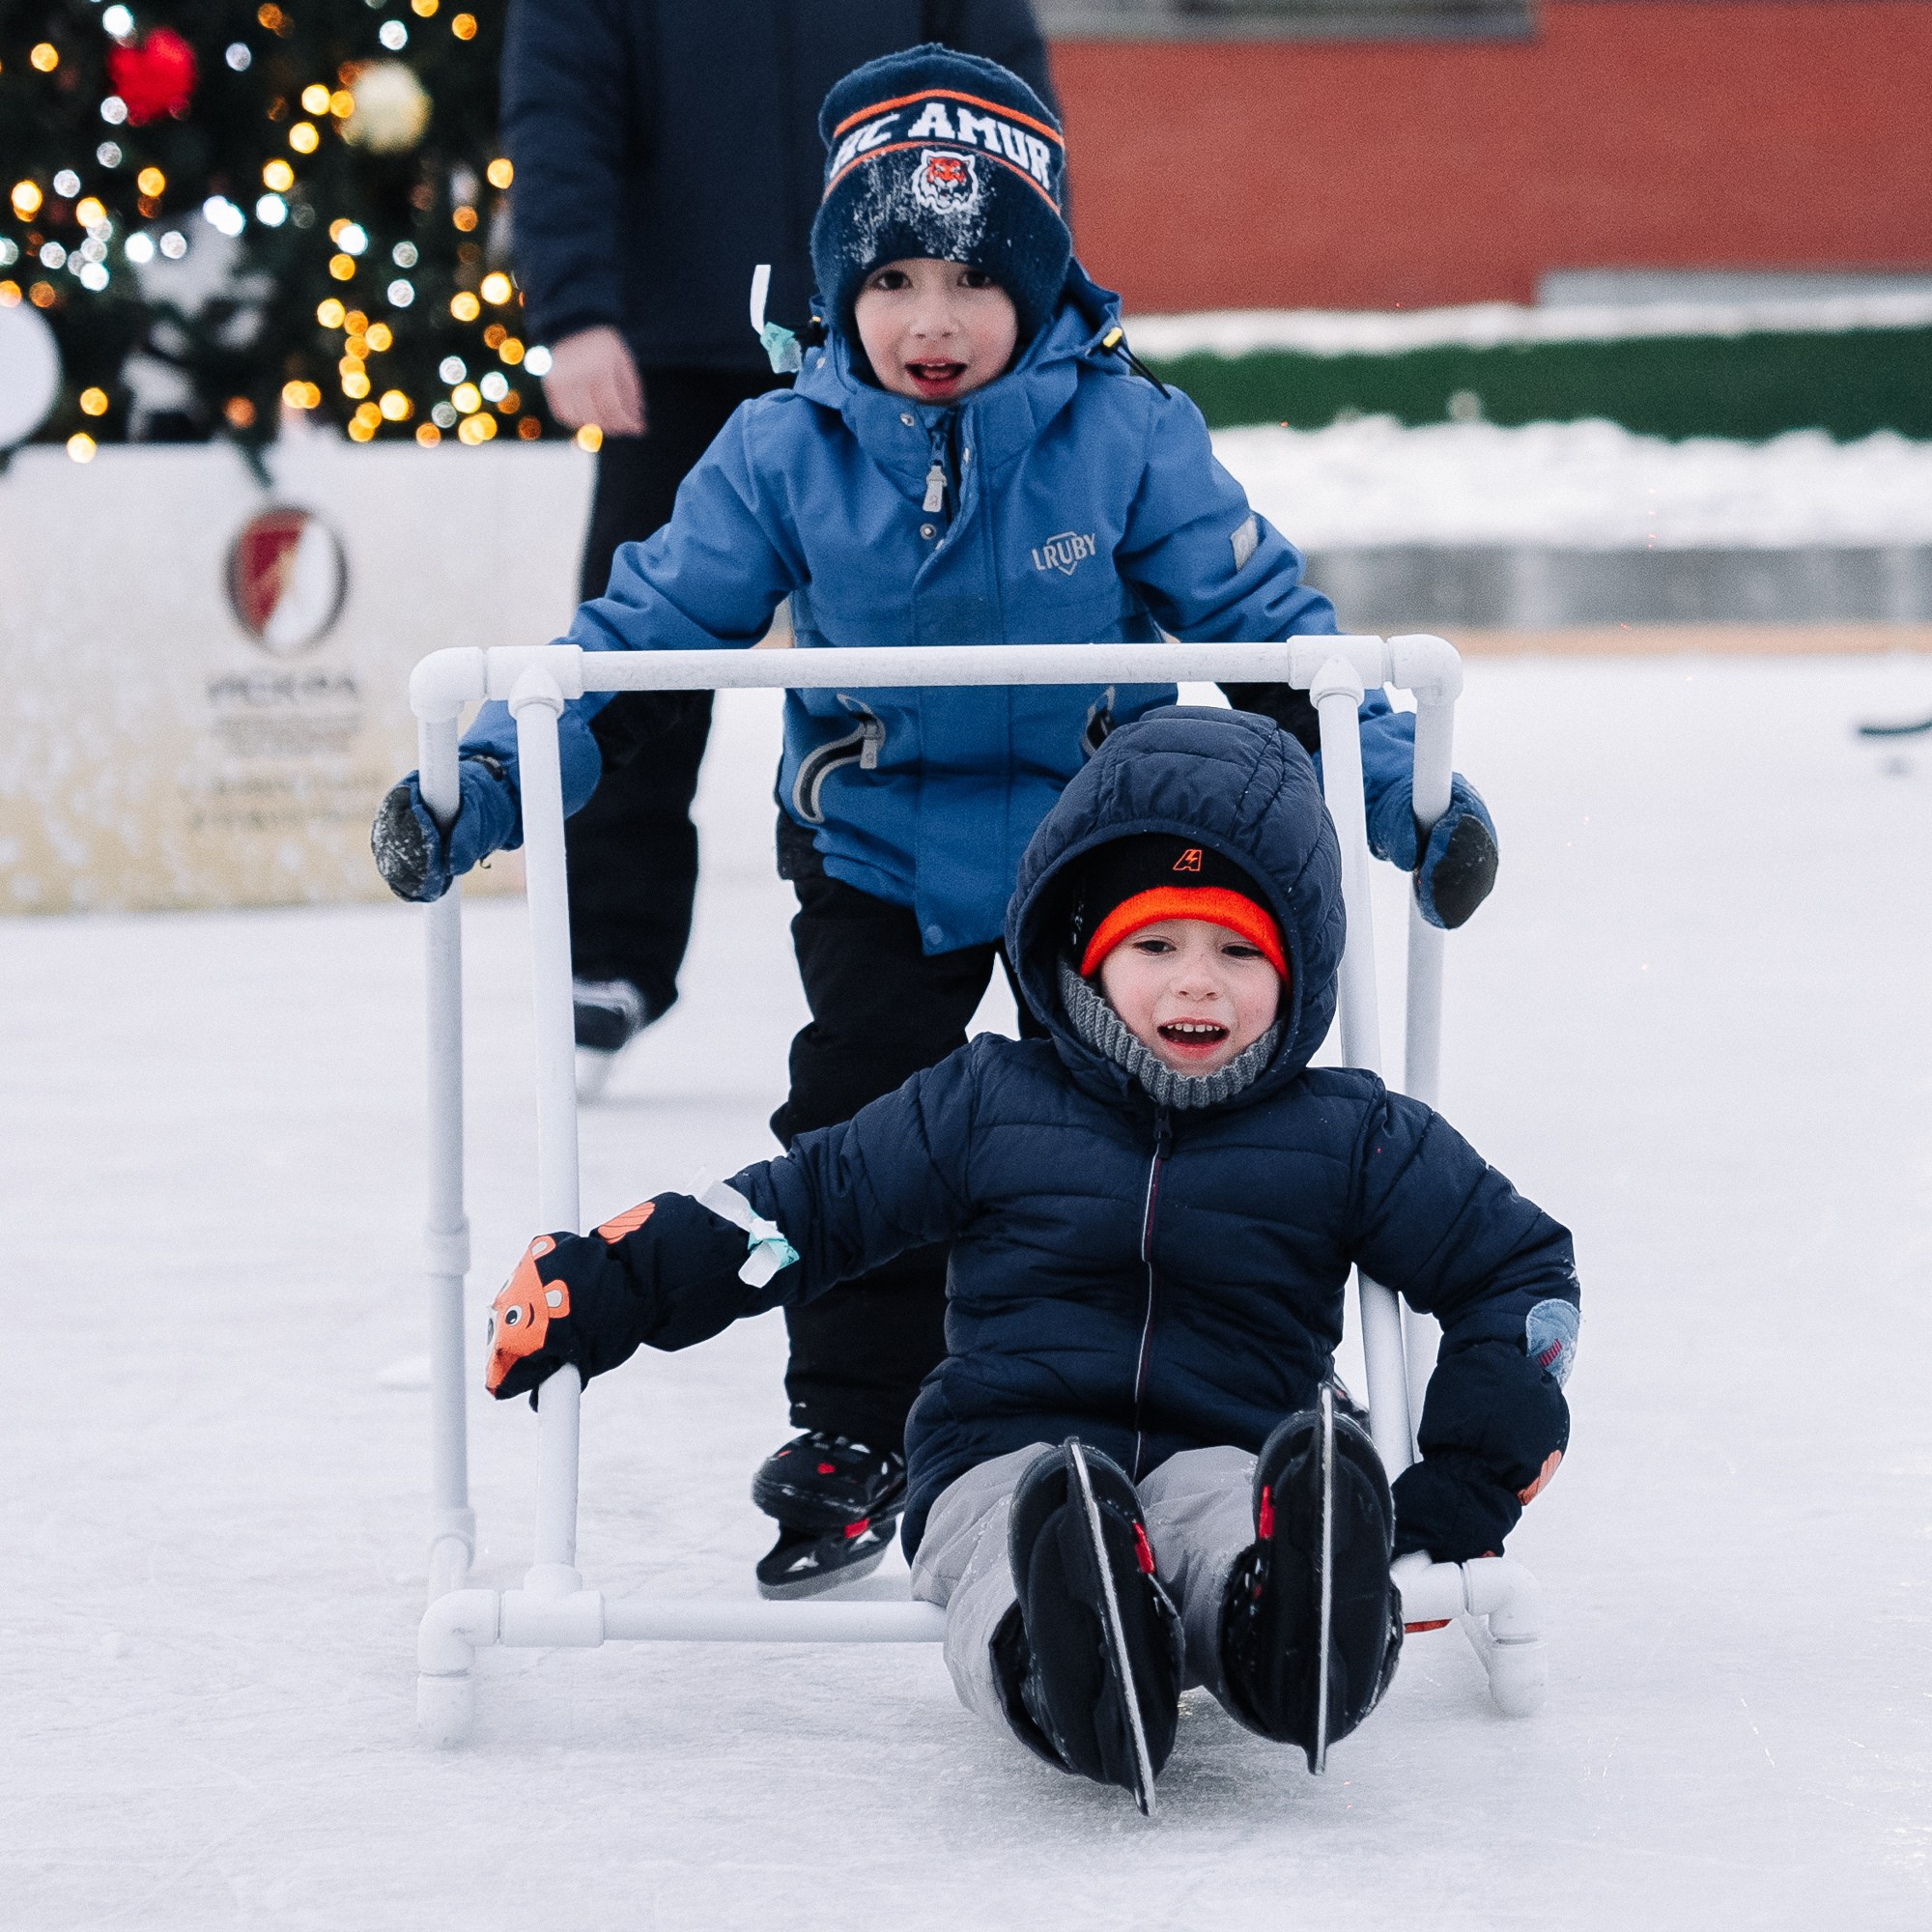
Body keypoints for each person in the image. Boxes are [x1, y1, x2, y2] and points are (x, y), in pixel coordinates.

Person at [371, 45, 1501, 1598]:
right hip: (875, 850)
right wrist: (494, 777)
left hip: (1086, 861)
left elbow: (1264, 630)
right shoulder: (782, 445)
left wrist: (1399, 792)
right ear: (841, 290)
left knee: (1124, 1132)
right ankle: (852, 1428)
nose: (931, 319)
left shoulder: (1128, 434)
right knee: (860, 1131)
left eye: (973, 281)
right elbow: (633, 641)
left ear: (1039, 288)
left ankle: (1207, 1417)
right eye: (891, 276)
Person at [476, 706, 1579, 1807]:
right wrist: (609, 1280)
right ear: (1083, 955)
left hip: (1230, 1441)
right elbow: (803, 1206)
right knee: (1019, 1532)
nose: (1197, 983)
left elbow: (1514, 1272)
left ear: (1298, 966)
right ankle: (1059, 1655)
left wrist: (1458, 1491)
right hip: (1007, 1449)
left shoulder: (1350, 1132)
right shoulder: (985, 1100)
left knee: (1228, 1510)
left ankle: (1291, 1631)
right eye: (1154, 944)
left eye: (1238, 950)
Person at [499, 1, 1060, 1068]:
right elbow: (560, 108)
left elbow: (1008, 98)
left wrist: (1029, 299)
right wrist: (573, 307)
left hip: (905, 336)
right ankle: (608, 954)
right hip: (676, 345)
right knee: (646, 650)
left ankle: (1003, 945)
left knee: (967, 632)